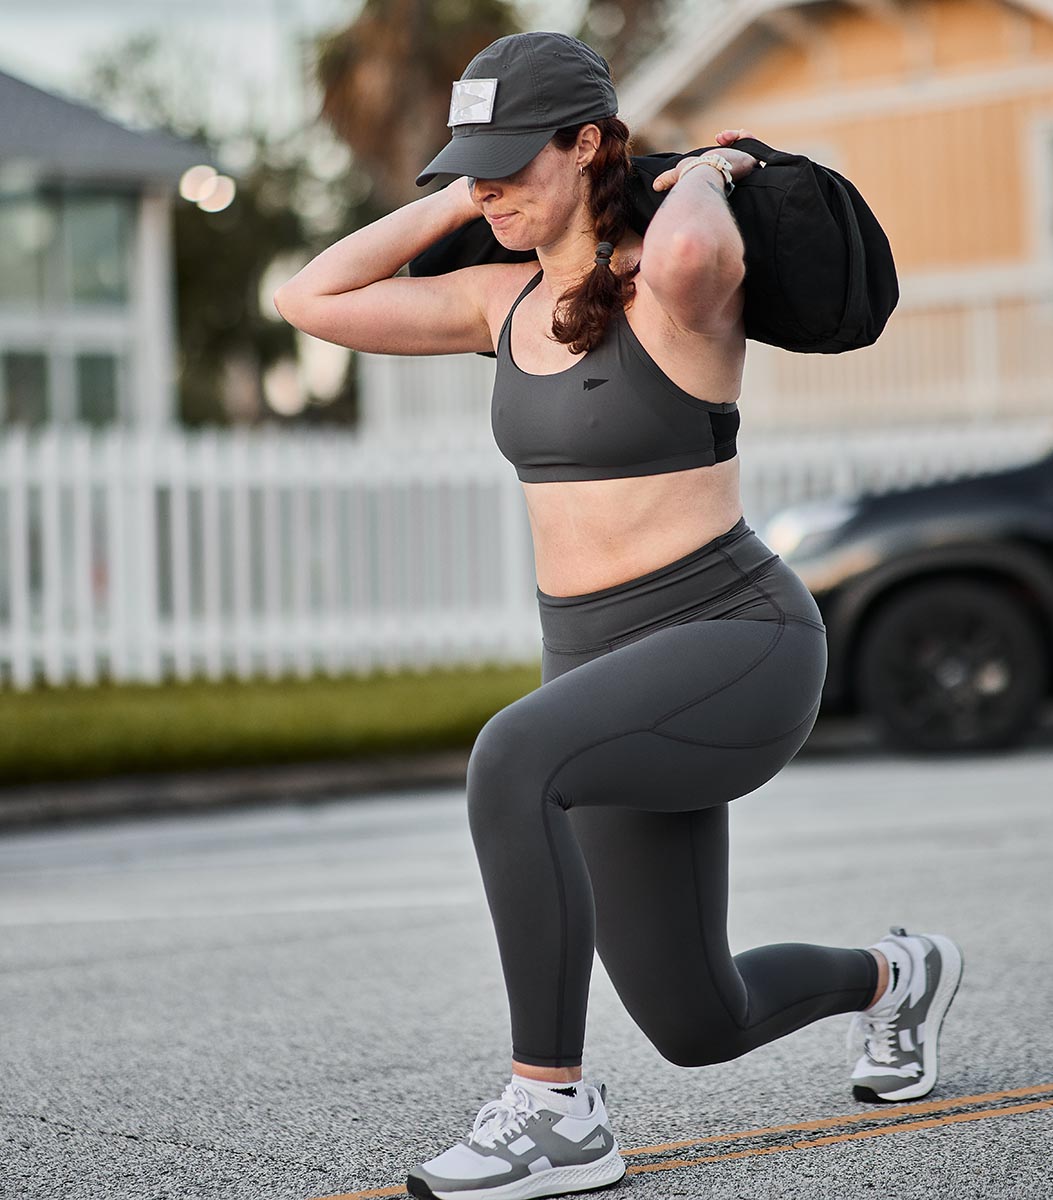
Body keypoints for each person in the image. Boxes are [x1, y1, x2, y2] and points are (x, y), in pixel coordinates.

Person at [274, 30, 963, 1200]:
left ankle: (555, 1111)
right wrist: (463, 204)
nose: (483, 185)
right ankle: (897, 977)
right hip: (601, 672)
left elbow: (694, 242)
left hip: (735, 643)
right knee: (702, 1019)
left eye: (508, 160)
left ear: (587, 145)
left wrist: (708, 166)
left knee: (510, 761)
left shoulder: (675, 284)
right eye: (468, 162)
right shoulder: (501, 301)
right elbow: (309, 295)